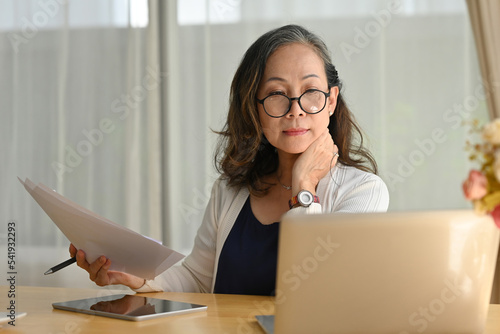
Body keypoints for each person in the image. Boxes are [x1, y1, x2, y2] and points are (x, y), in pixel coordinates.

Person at [70, 24, 389, 295]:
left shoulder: (363, 192)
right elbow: (197, 279)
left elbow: (320, 291)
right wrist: (137, 278)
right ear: (255, 107)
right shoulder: (230, 190)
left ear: (331, 101)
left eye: (311, 92)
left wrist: (303, 187)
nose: (296, 109)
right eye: (277, 94)